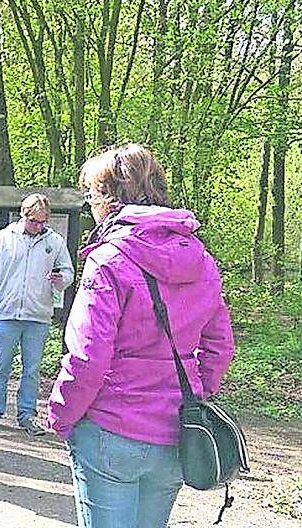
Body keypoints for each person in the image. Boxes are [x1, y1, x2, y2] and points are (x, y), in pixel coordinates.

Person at [48, 144, 235, 527]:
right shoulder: (199, 260)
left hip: (110, 428)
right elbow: (220, 347)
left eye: (92, 197)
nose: (91, 207)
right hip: (175, 430)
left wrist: (62, 414)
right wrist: (198, 395)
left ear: (109, 200)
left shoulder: (107, 260)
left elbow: (88, 358)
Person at [0, 193, 74, 436]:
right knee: (0, 364)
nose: (38, 226)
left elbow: (68, 272)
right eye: (33, 221)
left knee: (32, 368)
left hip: (38, 315)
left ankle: (27, 415)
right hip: (7, 312)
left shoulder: (54, 241)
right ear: (23, 216)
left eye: (42, 222)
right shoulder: (3, 239)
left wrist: (62, 280)